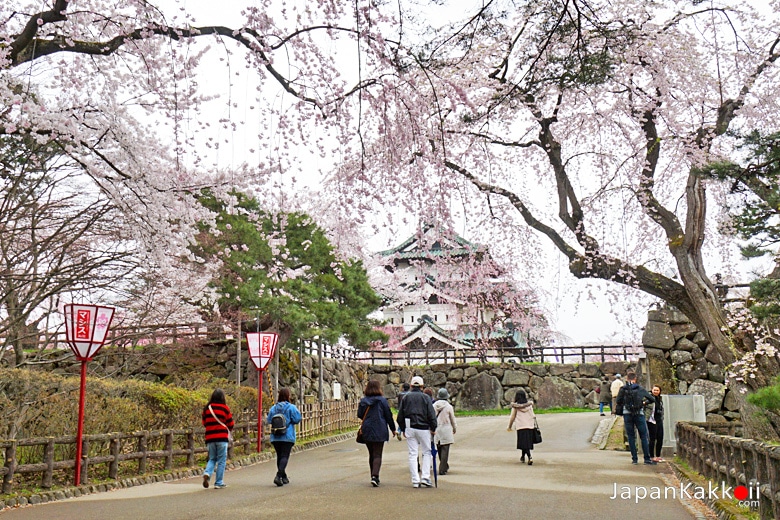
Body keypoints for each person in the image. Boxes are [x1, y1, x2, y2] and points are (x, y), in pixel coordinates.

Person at [396, 375, 437, 488]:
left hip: (410, 428)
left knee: (413, 454)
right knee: (426, 452)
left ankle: (415, 480)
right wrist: (433, 428)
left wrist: (403, 428)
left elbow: (400, 416)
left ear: (411, 385)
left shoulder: (406, 398)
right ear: (422, 386)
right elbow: (431, 415)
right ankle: (425, 477)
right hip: (424, 428)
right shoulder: (426, 398)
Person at [357, 380, 397, 487]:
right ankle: (375, 476)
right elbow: (388, 415)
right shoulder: (382, 401)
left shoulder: (363, 401)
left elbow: (360, 415)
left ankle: (373, 476)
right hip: (380, 428)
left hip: (367, 429)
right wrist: (393, 429)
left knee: (371, 453)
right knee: (377, 454)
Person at [616, 372, 656, 465]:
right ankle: (646, 458)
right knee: (644, 436)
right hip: (639, 413)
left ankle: (634, 459)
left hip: (627, 414)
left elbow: (618, 400)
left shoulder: (623, 389)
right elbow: (652, 399)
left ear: (627, 379)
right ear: (635, 379)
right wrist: (643, 403)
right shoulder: (640, 389)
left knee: (631, 436)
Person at [266, 387, 302, 486]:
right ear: (288, 396)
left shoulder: (273, 408)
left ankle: (284, 477)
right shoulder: (291, 407)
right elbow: (297, 419)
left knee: (279, 456)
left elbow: (269, 420)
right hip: (287, 435)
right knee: (285, 456)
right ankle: (278, 476)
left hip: (275, 435)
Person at [201, 388, 234, 489]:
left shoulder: (207, 408)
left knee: (212, 458)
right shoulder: (225, 408)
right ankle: (218, 482)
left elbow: (204, 423)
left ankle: (207, 473)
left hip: (210, 437)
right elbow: (231, 423)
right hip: (222, 438)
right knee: (221, 460)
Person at [507, 389, 536, 465]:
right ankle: (523, 456)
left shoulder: (515, 406)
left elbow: (512, 417)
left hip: (521, 426)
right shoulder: (529, 405)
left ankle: (530, 457)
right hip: (529, 426)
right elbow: (533, 415)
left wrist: (509, 426)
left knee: (524, 442)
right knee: (526, 443)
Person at [433, 388, 456, 475]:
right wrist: (454, 428)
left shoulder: (434, 406)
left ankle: (444, 465)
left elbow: (432, 417)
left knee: (439, 448)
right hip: (446, 429)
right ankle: (442, 468)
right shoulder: (449, 407)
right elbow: (452, 419)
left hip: (437, 429)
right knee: (445, 450)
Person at [646, 385, 665, 462]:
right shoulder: (649, 398)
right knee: (652, 438)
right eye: (654, 390)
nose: (656, 391)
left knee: (660, 437)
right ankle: (651, 456)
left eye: (657, 390)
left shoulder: (660, 399)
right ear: (652, 390)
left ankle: (658, 455)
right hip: (651, 420)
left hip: (659, 419)